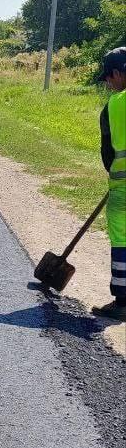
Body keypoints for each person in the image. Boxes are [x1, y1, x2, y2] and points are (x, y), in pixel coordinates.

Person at [92, 46, 126, 321]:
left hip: (124, 189)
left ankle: (123, 301)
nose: (107, 83)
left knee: (123, 242)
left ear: (117, 73)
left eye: (108, 77)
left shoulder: (115, 105)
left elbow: (108, 152)